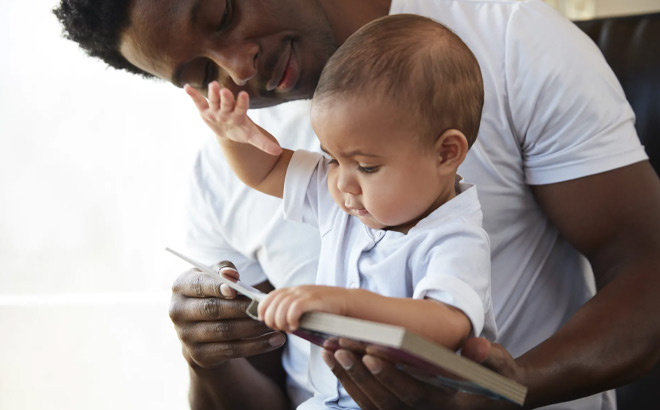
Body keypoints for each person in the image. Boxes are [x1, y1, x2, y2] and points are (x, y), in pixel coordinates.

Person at [53, 0, 660, 409]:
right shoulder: (234, 167)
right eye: (199, 71)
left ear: (450, 151)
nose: (239, 67)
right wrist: (208, 351)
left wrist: (502, 390)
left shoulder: (505, 40)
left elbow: (647, 270)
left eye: (224, 11)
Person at [185, 14, 496, 409]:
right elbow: (266, 171)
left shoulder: (455, 236)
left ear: (445, 153)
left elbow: (446, 324)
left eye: (366, 167)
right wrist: (230, 135)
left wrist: (345, 307)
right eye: (331, 158)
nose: (343, 183)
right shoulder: (345, 200)